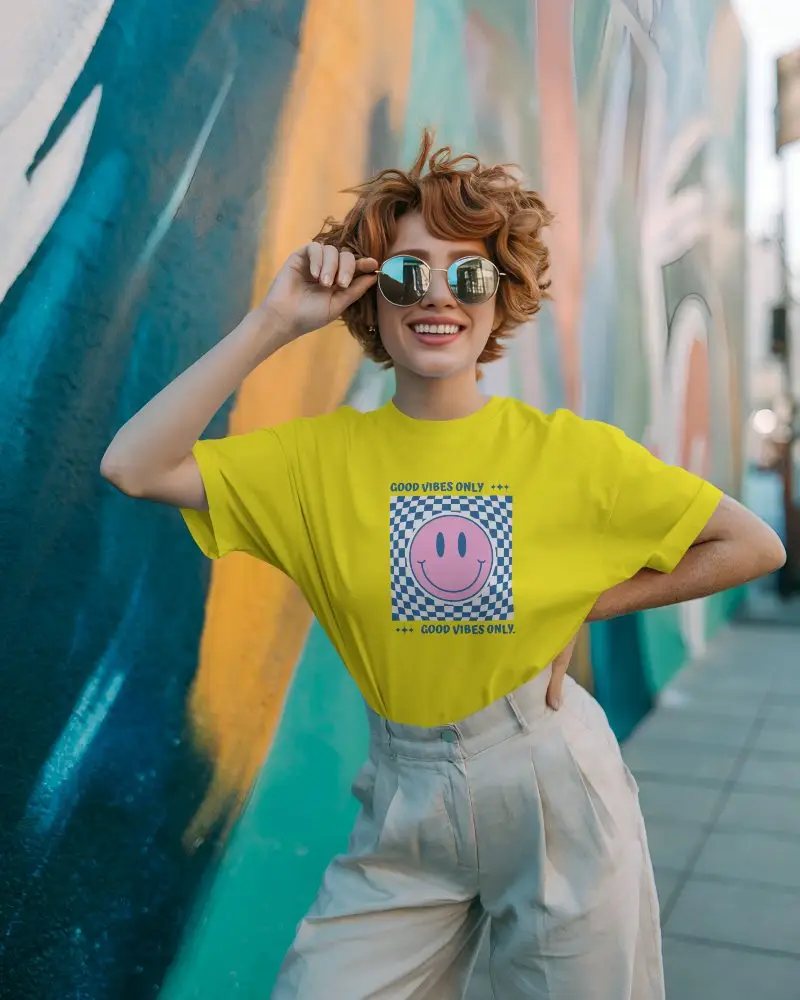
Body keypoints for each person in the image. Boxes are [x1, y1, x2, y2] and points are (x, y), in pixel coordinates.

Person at [101, 132, 785, 1000]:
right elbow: (133, 465)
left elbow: (753, 545)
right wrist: (274, 321)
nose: (439, 298)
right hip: (402, 798)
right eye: (407, 274)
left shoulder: (566, 453)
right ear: (371, 300)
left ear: (502, 301)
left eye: (470, 276)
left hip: (552, 788)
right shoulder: (311, 462)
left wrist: (588, 604)